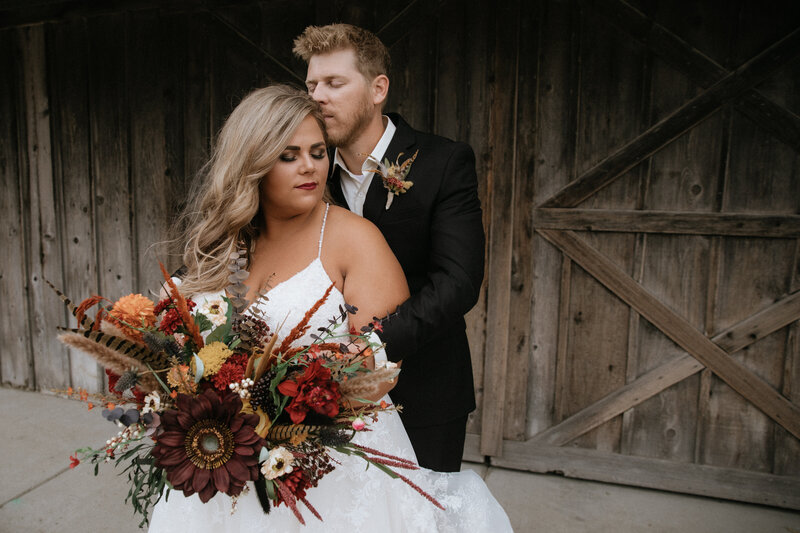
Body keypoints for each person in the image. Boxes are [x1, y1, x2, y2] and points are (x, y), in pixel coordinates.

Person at [147, 85, 511, 532]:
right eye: (288, 155)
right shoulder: (223, 243)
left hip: (326, 475)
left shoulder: (352, 240)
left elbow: (376, 375)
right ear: (252, 164)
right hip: (217, 464)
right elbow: (172, 340)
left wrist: (274, 423)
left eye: (318, 152)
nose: (309, 167)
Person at [293, 24, 485, 473]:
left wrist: (370, 347)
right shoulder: (308, 171)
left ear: (378, 88)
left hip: (425, 387)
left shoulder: (444, 162)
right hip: (321, 396)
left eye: (334, 83)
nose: (317, 97)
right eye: (311, 85)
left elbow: (458, 282)